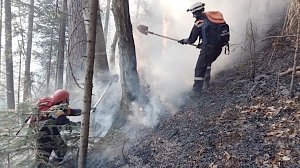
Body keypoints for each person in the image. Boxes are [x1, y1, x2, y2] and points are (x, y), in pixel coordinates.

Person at [178, 2, 227, 93]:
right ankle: (206, 82)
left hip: (208, 49)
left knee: (199, 69)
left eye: (193, 13)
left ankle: (197, 91)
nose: (193, 16)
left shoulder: (199, 23)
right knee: (208, 62)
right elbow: (211, 35)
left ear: (197, 12)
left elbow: (191, 39)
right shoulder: (213, 18)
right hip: (219, 47)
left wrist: (184, 41)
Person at [34, 89, 81, 167]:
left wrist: (85, 111)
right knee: (43, 161)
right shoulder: (57, 111)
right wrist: (80, 125)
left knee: (61, 152)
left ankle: (54, 165)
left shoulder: (54, 107)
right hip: (47, 138)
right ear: (63, 100)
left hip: (49, 135)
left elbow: (71, 111)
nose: (68, 100)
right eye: (67, 99)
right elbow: (67, 124)